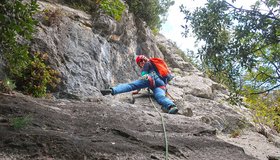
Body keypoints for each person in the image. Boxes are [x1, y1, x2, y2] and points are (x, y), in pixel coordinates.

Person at [101, 55, 178, 114]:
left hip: (151, 79)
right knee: (160, 96)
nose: (142, 63)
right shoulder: (155, 65)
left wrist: (144, 79)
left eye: (141, 61)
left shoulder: (147, 63)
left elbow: (144, 75)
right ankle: (171, 106)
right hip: (161, 85)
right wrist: (138, 90)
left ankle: (112, 90)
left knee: (131, 85)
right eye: (140, 62)